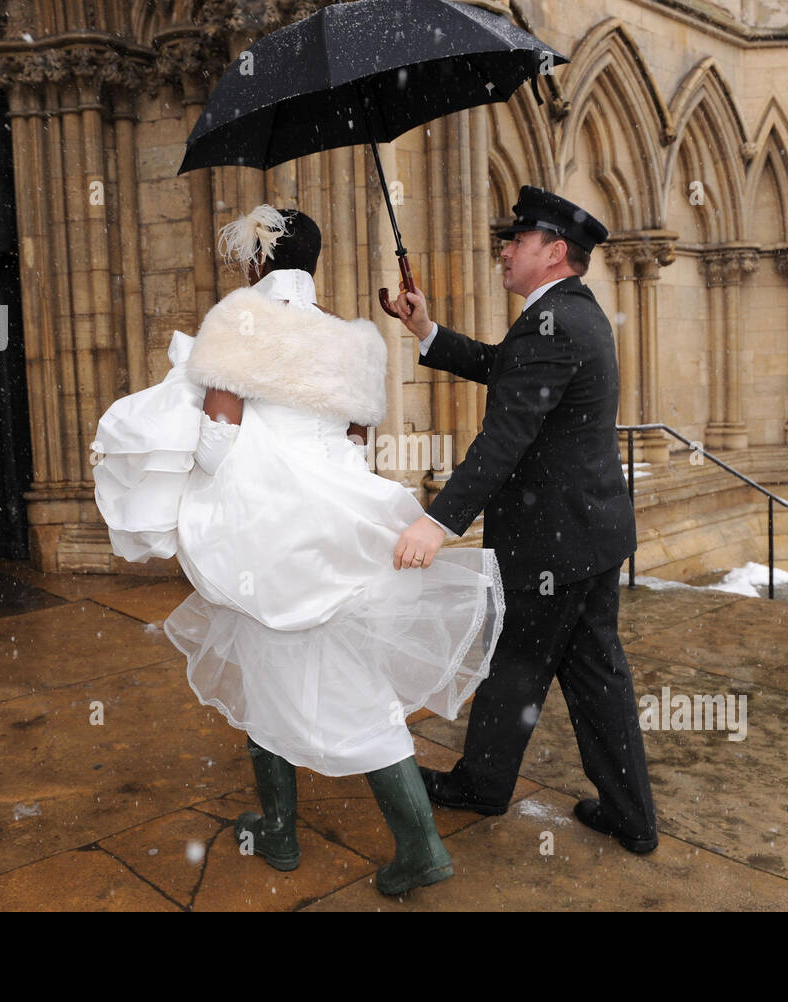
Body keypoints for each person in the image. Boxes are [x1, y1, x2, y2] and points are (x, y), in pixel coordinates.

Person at [91, 206, 504, 894]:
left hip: (263, 532)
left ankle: (351, 839)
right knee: (334, 675)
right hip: (341, 527)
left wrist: (173, 443)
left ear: (258, 261)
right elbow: (353, 444)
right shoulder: (356, 341)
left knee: (284, 671)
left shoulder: (236, 322)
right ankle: (328, 832)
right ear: (312, 262)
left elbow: (218, 443)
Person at [392, 185, 658, 853]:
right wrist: (427, 331)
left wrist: (439, 523)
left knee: (517, 660)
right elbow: (504, 369)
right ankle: (631, 815)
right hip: (588, 533)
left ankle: (483, 786)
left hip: (554, 545)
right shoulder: (568, 315)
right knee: (594, 670)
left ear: (555, 251)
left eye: (517, 240)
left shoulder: (554, 322)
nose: (504, 250)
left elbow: (504, 438)